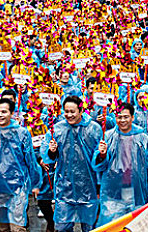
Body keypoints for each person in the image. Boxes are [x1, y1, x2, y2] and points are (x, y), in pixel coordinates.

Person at [91, 103, 148, 226]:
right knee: (113, 225)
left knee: (134, 225)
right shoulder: (107, 137)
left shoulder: (143, 138)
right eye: (119, 117)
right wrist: (102, 155)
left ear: (132, 117)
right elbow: (98, 167)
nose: (122, 120)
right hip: (112, 193)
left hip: (137, 193)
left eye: (126, 117)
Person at [0, 99, 41, 231]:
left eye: (4, 112)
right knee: (3, 227)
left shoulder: (22, 133)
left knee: (17, 227)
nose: (0, 115)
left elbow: (30, 159)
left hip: (17, 188)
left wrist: (35, 183)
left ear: (12, 113)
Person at [42, 95, 101, 232]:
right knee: (62, 227)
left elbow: (100, 160)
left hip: (88, 188)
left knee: (91, 227)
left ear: (81, 111)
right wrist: (52, 151)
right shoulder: (57, 129)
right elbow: (49, 158)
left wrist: (102, 154)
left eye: (72, 111)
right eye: (66, 111)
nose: (69, 115)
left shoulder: (94, 129)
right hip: (65, 187)